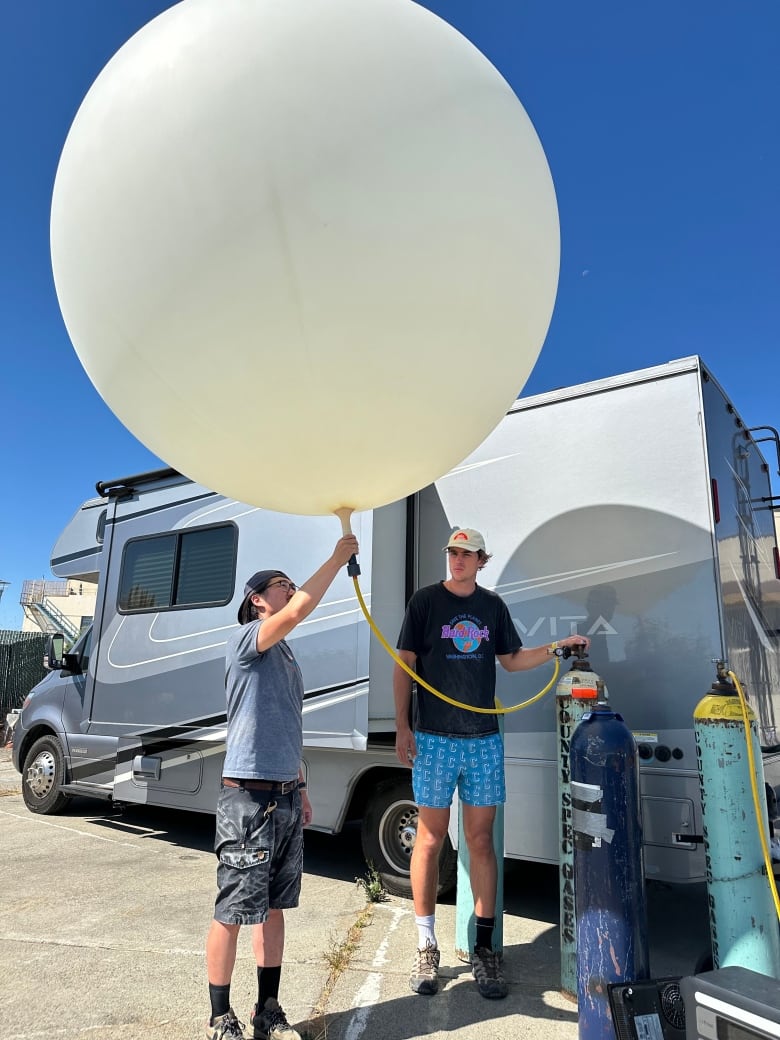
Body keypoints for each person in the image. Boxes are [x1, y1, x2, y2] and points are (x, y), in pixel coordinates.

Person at [393, 528, 589, 1000]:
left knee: (481, 841)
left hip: (482, 739)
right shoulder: (425, 602)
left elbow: (512, 659)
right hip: (434, 738)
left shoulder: (492, 607)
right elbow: (404, 663)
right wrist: (403, 725)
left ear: (481, 560)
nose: (457, 560)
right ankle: (425, 945)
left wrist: (557, 649)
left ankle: (484, 949)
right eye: (452, 553)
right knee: (430, 838)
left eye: (466, 554)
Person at [205, 533, 359, 1040]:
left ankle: (267, 1009)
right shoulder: (247, 641)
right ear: (257, 599)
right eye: (282, 586)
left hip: (286, 795)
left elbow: (289, 723)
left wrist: (302, 785)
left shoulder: (286, 655)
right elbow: (294, 613)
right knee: (232, 910)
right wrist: (337, 558)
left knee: (274, 909)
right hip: (247, 799)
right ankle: (219, 1015)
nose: (291, 592)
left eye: (293, 586)